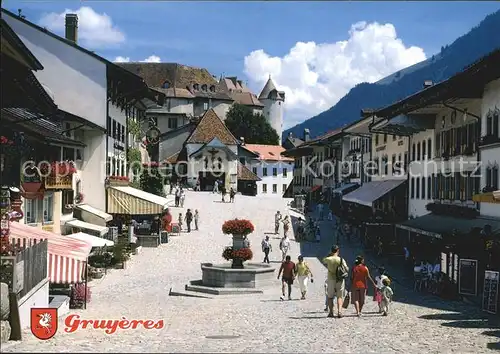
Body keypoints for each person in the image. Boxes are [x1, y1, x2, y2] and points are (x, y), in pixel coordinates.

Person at [322, 245, 349, 318]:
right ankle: (339, 312)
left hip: (331, 279)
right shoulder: (341, 259)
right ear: (338, 250)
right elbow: (347, 269)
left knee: (330, 297)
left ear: (331, 251)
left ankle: (331, 312)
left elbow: (323, 260)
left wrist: (329, 254)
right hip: (339, 279)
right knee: (339, 296)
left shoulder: (328, 259)